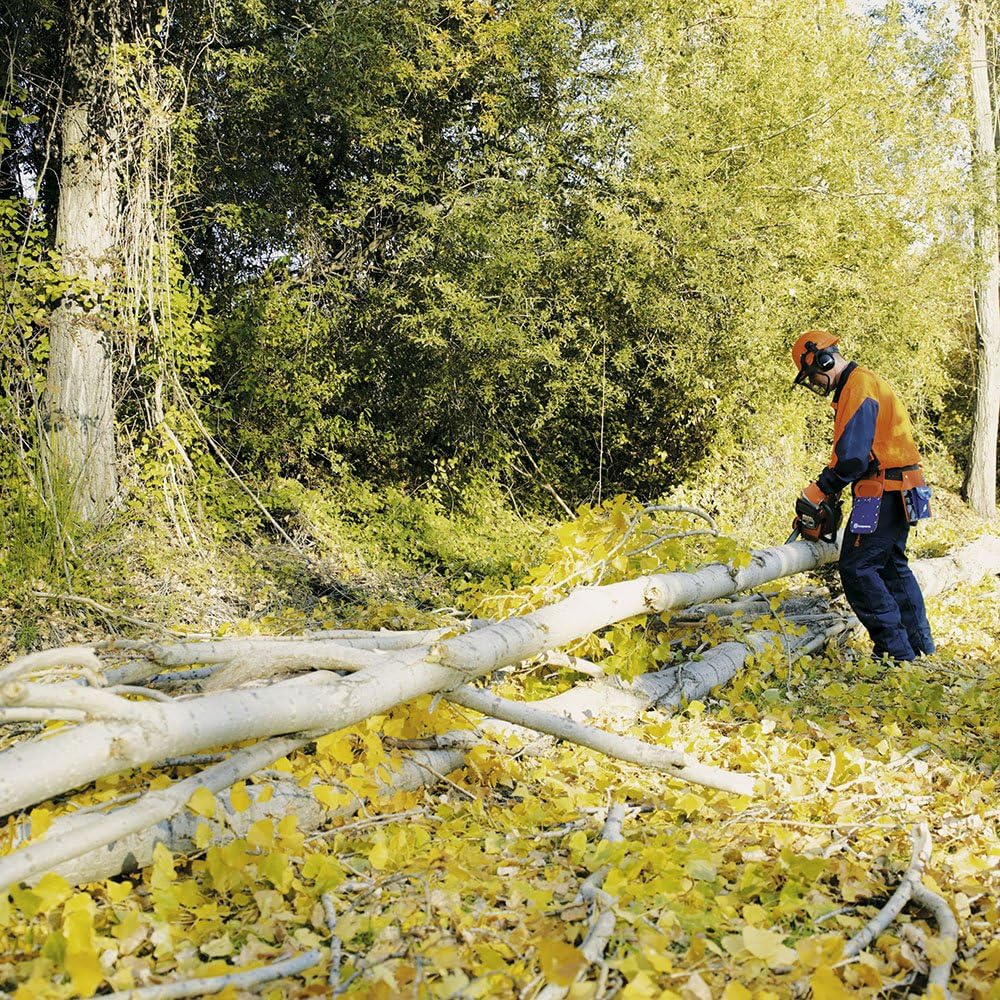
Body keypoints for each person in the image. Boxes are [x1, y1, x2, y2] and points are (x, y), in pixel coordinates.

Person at [790, 330, 935, 662]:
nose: (816, 383)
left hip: (883, 487)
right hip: (904, 485)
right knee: (891, 566)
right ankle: (920, 647)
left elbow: (853, 458)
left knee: (858, 568)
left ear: (823, 360)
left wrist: (821, 488)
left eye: (813, 375)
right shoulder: (862, 383)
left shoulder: (858, 387)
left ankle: (895, 653)